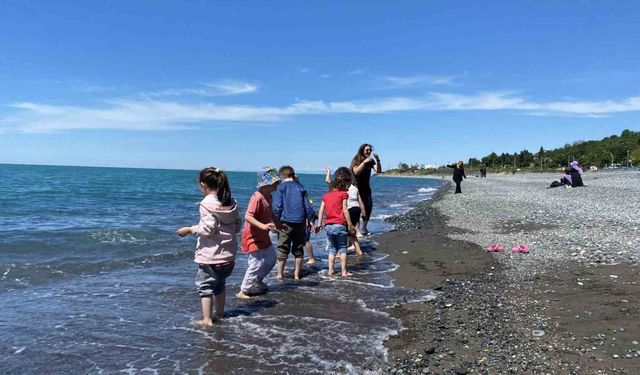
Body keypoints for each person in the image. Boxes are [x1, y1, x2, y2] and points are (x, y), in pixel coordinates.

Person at [176, 167, 240, 327]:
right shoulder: (230, 202)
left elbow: (207, 229)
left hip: (211, 257)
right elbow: (237, 226)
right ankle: (220, 313)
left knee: (205, 287)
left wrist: (190, 229)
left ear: (203, 184)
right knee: (220, 285)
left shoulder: (207, 203)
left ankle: (207, 319)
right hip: (229, 256)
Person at [236, 167, 282, 299]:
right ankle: (244, 290)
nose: (277, 186)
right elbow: (248, 217)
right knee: (255, 262)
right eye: (275, 183)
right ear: (267, 184)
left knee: (271, 259)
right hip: (253, 235)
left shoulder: (269, 197)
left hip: (263, 235)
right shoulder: (257, 198)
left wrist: (278, 224)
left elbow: (270, 213)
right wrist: (263, 226)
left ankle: (257, 280)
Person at [272, 166, 316, 280]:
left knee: (282, 248)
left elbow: (277, 207)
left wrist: (275, 222)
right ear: (292, 175)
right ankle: (296, 275)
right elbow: (308, 207)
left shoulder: (280, 188)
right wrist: (310, 220)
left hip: (285, 223)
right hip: (300, 223)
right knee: (298, 249)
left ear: (282, 176)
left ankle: (280, 274)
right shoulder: (301, 188)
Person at [315, 168, 355, 277]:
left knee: (332, 249)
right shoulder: (343, 195)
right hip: (340, 224)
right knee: (342, 248)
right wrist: (350, 225)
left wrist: (319, 224)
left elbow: (321, 210)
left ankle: (330, 270)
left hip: (328, 226)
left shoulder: (326, 196)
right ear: (344, 185)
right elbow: (345, 210)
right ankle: (343, 272)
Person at [350, 144, 382, 236]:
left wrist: (378, 160)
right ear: (362, 150)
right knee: (358, 209)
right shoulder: (356, 159)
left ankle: (364, 227)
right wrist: (364, 163)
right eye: (367, 150)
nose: (369, 151)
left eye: (370, 150)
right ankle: (357, 230)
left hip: (366, 188)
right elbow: (355, 172)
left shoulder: (371, 161)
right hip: (356, 188)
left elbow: (378, 171)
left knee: (368, 208)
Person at [343, 168, 365, 256]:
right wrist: (363, 212)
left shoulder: (344, 188)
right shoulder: (355, 188)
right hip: (357, 209)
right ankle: (356, 249)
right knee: (351, 230)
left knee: (345, 230)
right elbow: (360, 201)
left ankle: (341, 251)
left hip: (349, 209)